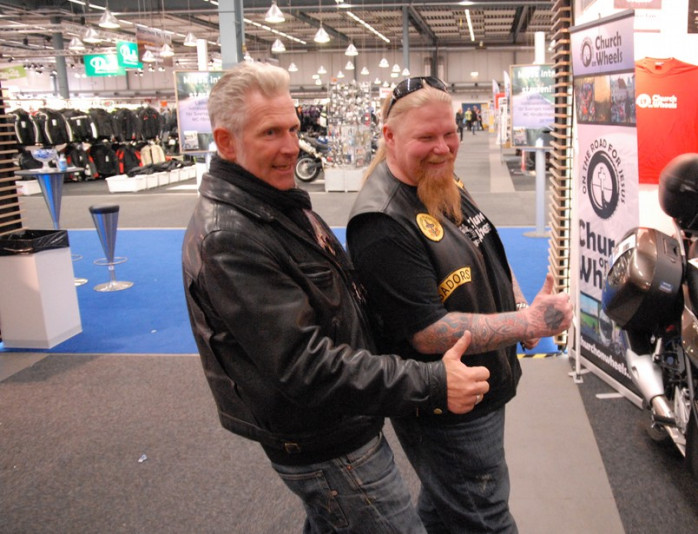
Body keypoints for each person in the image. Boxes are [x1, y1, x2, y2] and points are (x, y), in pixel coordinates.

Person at [181, 62, 491, 533]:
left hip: (338, 422)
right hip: (326, 442)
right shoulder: (232, 237)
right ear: (226, 142)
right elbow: (306, 366)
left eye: (292, 129)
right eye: (270, 133)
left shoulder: (271, 202)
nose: (291, 147)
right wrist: (429, 381)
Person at [347, 76, 574, 533]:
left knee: (447, 503)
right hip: (449, 404)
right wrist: (527, 323)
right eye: (426, 137)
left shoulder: (439, 179)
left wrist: (520, 309)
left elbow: (482, 245)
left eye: (450, 133)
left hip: (480, 383)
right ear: (389, 136)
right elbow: (428, 332)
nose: (443, 148)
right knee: (484, 517)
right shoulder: (381, 224)